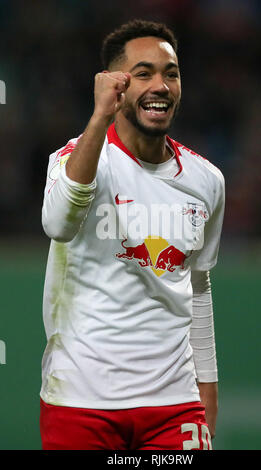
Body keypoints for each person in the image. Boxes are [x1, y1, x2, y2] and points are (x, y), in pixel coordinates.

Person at [40, 19, 225, 450]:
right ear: (116, 86)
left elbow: (198, 285)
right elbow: (59, 224)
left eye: (171, 73)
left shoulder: (206, 181)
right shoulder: (77, 159)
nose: (160, 85)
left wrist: (208, 385)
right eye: (143, 73)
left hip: (175, 404)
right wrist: (99, 117)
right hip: (81, 399)